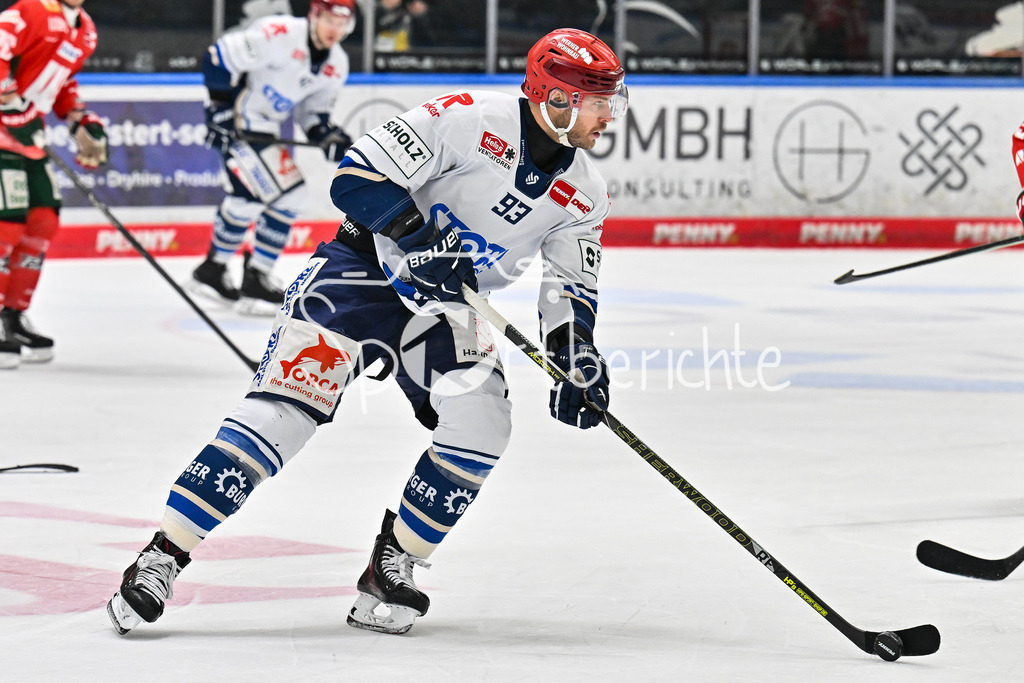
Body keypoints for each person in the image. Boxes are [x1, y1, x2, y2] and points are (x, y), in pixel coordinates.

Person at [107, 28, 626, 636]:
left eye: (610, 100)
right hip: (360, 273)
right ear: (556, 99)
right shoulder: (467, 119)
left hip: (449, 305)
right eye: (597, 100)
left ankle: (394, 562)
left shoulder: (585, 192)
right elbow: (355, 177)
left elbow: (569, 288)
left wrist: (577, 356)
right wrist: (417, 235)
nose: (608, 114)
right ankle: (162, 555)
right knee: (284, 415)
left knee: (483, 423)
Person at [190, 0, 357, 316]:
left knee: (255, 198)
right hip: (240, 122)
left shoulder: (337, 63)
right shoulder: (279, 33)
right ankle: (249, 276)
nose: (334, 30)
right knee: (283, 194)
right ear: (314, 15)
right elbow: (218, 57)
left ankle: (217, 270)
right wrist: (218, 109)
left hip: (263, 129)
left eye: (342, 24)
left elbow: (312, 114)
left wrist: (327, 135)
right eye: (329, 20)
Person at [0, 0, 106, 368]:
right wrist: (11, 102)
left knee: (42, 220)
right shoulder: (30, 10)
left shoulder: (85, 29)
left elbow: (59, 82)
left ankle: (11, 315)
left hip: (27, 138)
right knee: (5, 225)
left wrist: (79, 120)